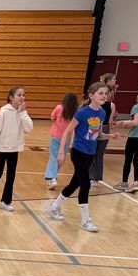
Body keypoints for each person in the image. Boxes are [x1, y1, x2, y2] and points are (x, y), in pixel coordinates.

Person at [49, 81, 116, 232]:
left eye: (106, 93)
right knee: (85, 184)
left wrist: (109, 136)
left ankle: (55, 206)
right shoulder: (82, 112)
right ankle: (85, 220)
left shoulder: (102, 113)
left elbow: (97, 134)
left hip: (90, 153)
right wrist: (61, 152)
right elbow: (67, 132)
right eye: (100, 93)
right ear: (91, 95)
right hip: (78, 152)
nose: (104, 96)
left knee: (75, 183)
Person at [114, 85, 138, 193]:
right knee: (137, 161)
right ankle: (136, 183)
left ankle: (124, 182)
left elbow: (136, 122)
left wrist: (121, 123)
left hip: (134, 138)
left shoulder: (137, 107)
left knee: (128, 160)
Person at [44, 93, 78, 190]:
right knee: (60, 158)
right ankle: (53, 177)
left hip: (56, 136)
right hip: (67, 138)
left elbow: (52, 117)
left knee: (54, 157)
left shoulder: (59, 107)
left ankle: (52, 178)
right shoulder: (75, 111)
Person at [89, 72, 116, 184]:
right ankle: (97, 178)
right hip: (104, 128)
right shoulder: (112, 105)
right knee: (100, 154)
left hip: (94, 126)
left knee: (92, 152)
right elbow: (110, 122)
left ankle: (90, 176)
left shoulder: (96, 103)